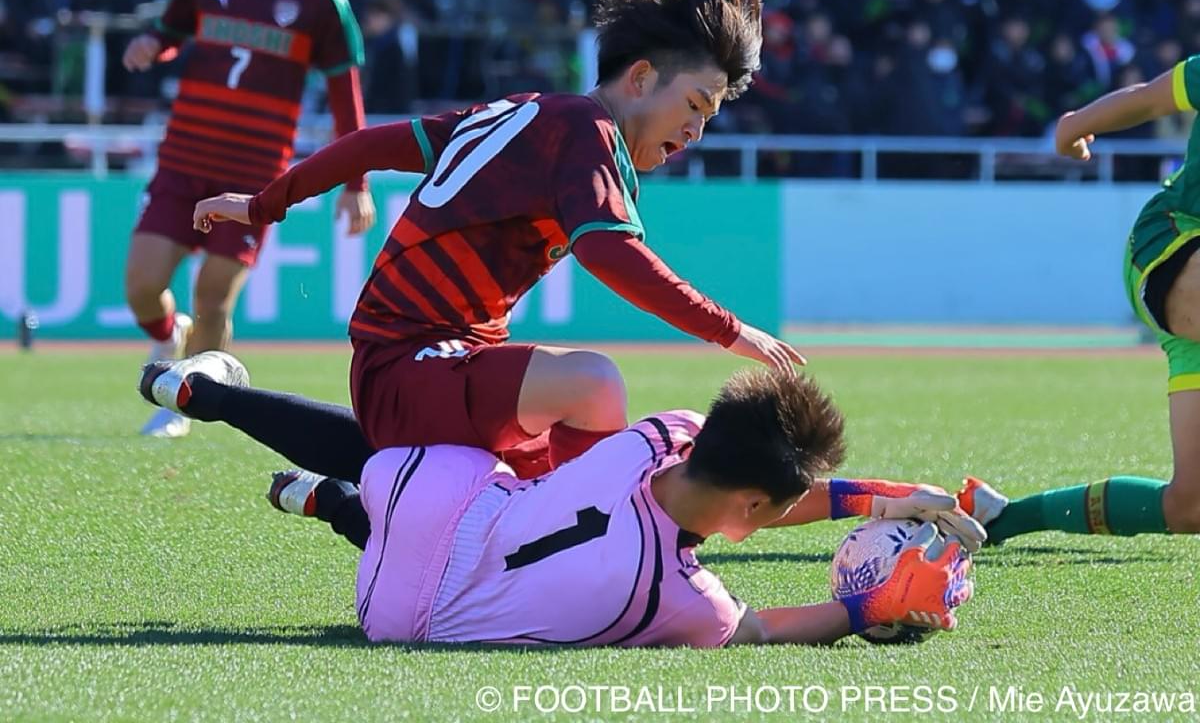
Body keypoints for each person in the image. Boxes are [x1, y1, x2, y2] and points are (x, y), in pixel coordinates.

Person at [171, 0, 804, 480]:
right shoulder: (584, 133)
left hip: (424, 367)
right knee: (594, 388)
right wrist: (729, 329)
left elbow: (370, 145)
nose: (696, 131)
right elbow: (609, 252)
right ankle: (579, 548)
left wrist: (265, 204)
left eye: (708, 117)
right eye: (695, 105)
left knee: (525, 486)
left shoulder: (525, 112)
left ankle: (316, 485)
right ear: (640, 79)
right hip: (414, 366)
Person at [148, 355, 979, 646]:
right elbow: (764, 627)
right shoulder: (685, 601)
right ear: (755, 506)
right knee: (491, 561)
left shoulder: (667, 431)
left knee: (460, 468)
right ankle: (330, 505)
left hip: (432, 500)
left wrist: (882, 500)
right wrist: (872, 607)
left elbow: (752, 494)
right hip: (397, 616)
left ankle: (203, 395)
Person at [121, 0, 375, 438]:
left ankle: (181, 405)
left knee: (214, 295)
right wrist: (150, 46)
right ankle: (168, 336)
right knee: (142, 286)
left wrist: (355, 183)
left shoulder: (323, 1)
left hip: (253, 177)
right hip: (183, 163)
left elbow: (346, 101)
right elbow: (169, 32)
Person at [969, 52, 1200, 542]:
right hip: (1171, 244)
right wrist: (1074, 126)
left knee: (1190, 506)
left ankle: (1005, 518)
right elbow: (1150, 99)